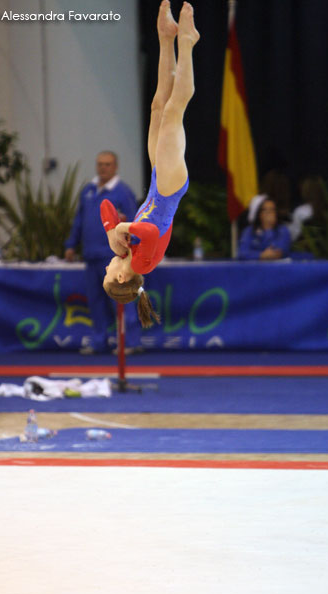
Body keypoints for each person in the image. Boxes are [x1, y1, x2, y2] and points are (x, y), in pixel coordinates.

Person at [100, 0, 199, 328]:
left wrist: (111, 230)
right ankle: (187, 42)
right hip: (170, 189)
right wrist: (124, 230)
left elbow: (105, 205)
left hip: (160, 179)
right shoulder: (142, 265)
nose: (105, 267)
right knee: (175, 110)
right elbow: (151, 231)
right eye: (108, 274)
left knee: (158, 106)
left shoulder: (126, 253)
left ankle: (165, 37)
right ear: (120, 278)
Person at [64, 151, 142, 353]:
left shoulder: (123, 192)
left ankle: (130, 342)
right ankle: (99, 341)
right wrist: (71, 244)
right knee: (96, 302)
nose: (103, 168)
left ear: (115, 167)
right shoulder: (88, 191)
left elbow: (134, 223)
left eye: (107, 164)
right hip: (91, 257)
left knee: (121, 299)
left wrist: (132, 251)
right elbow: (79, 220)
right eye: (100, 164)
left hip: (114, 258)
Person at [238, 195, 291, 260]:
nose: (269, 213)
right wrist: (260, 255)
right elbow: (242, 253)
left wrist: (268, 229)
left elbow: (280, 251)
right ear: (259, 214)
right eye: (265, 210)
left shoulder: (283, 230)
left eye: (272, 210)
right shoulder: (249, 231)